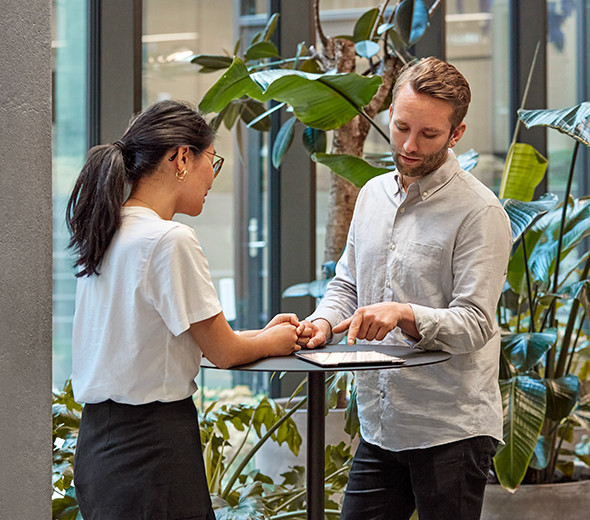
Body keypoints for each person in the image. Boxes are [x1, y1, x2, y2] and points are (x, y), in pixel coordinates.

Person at [67, 100, 310, 519]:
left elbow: (175, 342)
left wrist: (265, 337)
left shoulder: (108, 230)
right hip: (154, 448)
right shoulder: (169, 239)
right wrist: (272, 340)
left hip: (99, 446)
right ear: (182, 157)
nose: (213, 178)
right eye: (212, 162)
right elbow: (224, 353)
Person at [303, 57, 513, 520]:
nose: (409, 145)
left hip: (450, 430)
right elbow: (348, 283)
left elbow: (475, 324)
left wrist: (405, 313)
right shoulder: (373, 195)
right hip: (381, 427)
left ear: (456, 134)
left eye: (429, 134)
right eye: (400, 128)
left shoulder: (480, 213)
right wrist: (321, 323)